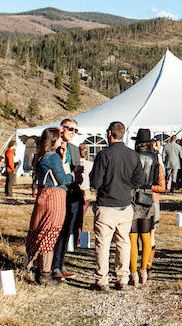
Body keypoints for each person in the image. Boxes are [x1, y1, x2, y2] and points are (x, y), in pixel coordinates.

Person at [89, 121, 144, 291]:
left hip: (106, 204)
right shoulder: (133, 155)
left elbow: (95, 181)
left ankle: (102, 279)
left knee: (103, 244)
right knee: (123, 242)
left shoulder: (104, 155)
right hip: (125, 205)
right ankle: (122, 278)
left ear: (110, 134)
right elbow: (139, 180)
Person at [25, 128, 75, 285]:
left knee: (40, 230)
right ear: (54, 140)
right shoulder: (52, 157)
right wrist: (72, 174)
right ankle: (45, 275)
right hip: (54, 197)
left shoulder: (41, 156)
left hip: (44, 195)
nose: (62, 141)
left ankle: (33, 267)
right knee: (50, 233)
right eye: (60, 138)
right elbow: (62, 179)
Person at [131, 129, 165, 285]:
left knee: (132, 237)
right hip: (147, 196)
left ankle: (132, 272)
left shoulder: (132, 157)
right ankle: (143, 269)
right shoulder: (155, 157)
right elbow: (158, 180)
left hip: (132, 195)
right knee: (146, 235)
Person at [52, 119, 83, 282]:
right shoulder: (52, 148)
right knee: (56, 229)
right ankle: (52, 265)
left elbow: (77, 172)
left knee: (67, 229)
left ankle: (60, 264)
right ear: (61, 129)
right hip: (57, 193)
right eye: (70, 129)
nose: (73, 132)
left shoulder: (75, 149)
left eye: (75, 130)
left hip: (73, 192)